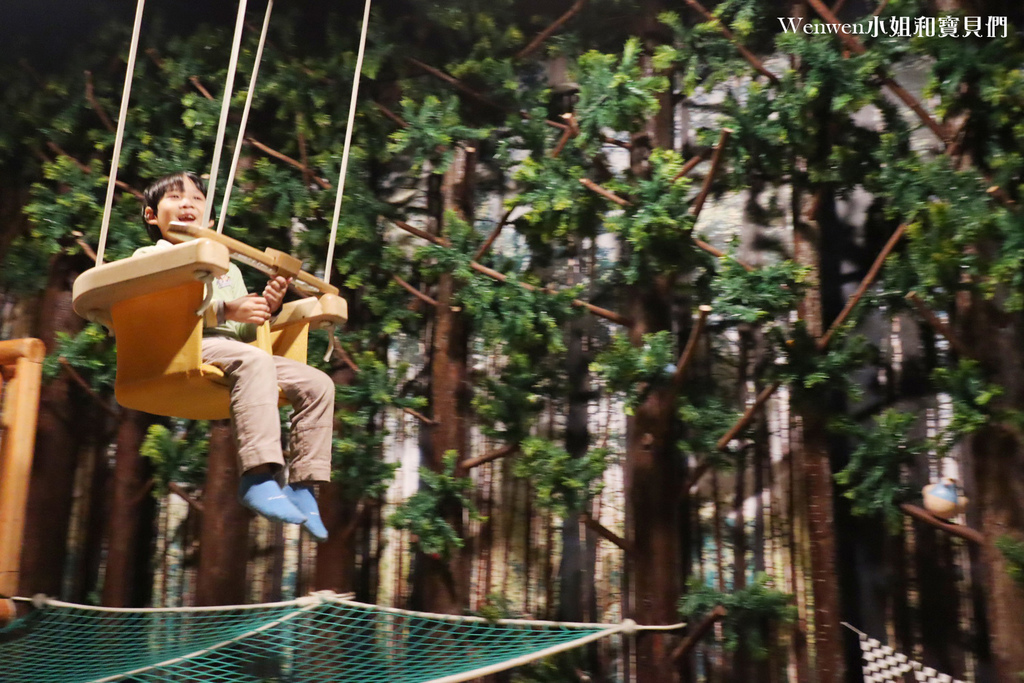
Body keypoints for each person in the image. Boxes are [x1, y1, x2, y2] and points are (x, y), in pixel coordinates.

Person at [137, 171, 334, 542]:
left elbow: (244, 334)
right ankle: (258, 475)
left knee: (317, 383)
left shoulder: (229, 270)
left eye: (196, 199)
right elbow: (161, 307)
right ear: (152, 216)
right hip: (179, 347)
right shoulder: (153, 256)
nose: (186, 204)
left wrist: (265, 308)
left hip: (230, 352)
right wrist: (226, 310)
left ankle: (304, 487)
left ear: (210, 219)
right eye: (175, 198)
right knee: (253, 360)